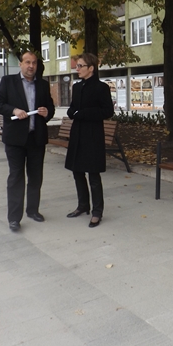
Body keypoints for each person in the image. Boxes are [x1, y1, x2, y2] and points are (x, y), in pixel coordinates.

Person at [0, 51, 55, 232]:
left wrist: (47, 112)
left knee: (36, 177)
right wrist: (13, 110)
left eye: (34, 63)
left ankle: (33, 210)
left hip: (36, 138)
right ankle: (14, 218)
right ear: (20, 64)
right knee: (16, 178)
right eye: (27, 62)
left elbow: (50, 107)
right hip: (15, 140)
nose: (31, 66)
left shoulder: (42, 85)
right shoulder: (8, 81)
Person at [65, 53, 114, 228]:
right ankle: (83, 205)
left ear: (91, 68)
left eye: (80, 66)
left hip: (93, 135)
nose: (77, 69)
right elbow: (73, 108)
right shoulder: (77, 87)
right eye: (77, 66)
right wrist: (71, 112)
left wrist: (85, 113)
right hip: (77, 133)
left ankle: (97, 212)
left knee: (93, 174)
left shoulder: (101, 88)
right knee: (77, 171)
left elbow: (107, 111)